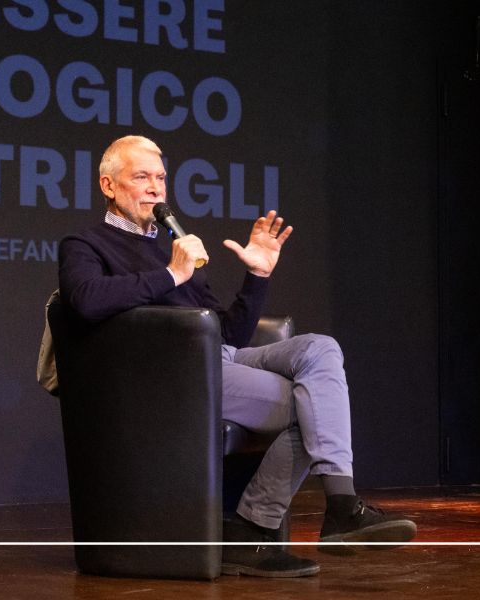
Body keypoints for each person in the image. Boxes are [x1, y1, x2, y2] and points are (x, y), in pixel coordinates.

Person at [58, 135, 417, 578]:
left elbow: (230, 333)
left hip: (218, 358)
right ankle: (266, 525)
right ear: (108, 186)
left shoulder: (177, 243)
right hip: (171, 375)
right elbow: (85, 301)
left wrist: (257, 275)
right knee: (312, 406)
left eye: (161, 178)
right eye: (141, 177)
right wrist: (171, 273)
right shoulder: (86, 242)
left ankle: (337, 502)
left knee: (321, 348)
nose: (155, 188)